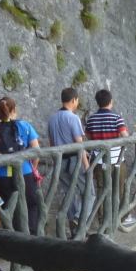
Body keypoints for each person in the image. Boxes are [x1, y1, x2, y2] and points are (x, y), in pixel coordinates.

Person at [47, 87, 93, 234]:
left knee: (70, 195)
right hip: (75, 159)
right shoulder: (73, 118)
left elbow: (51, 145)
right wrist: (87, 166)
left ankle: (75, 232)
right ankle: (79, 219)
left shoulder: (52, 118)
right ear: (74, 100)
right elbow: (79, 144)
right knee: (89, 192)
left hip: (60, 160)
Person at [84, 88, 134, 225]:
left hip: (100, 161)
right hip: (116, 159)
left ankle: (103, 220)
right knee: (120, 188)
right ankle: (122, 217)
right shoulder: (116, 118)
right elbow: (125, 137)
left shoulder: (91, 119)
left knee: (102, 189)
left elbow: (88, 137)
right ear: (110, 101)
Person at [0, 97, 40, 235]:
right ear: (15, 109)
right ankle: (31, 235)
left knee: (9, 207)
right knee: (31, 204)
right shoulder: (24, 126)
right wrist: (34, 167)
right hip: (24, 171)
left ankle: (14, 237)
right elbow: (36, 150)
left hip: (2, 174)